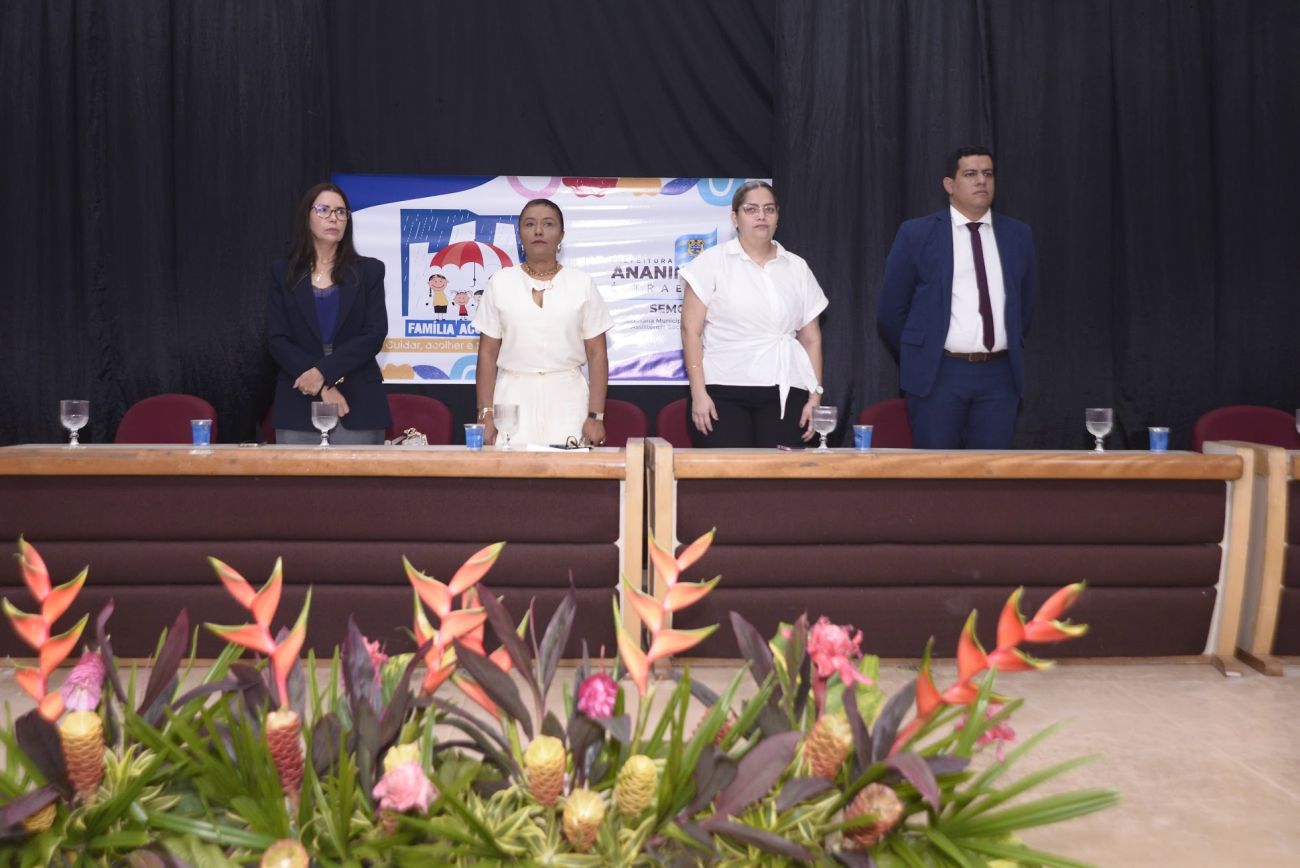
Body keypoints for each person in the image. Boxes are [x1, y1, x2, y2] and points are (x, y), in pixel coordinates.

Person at [878, 147, 1037, 449]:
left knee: (992, 471)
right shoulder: (917, 234)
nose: (982, 181)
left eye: (988, 174)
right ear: (949, 185)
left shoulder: (1018, 235)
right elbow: (891, 311)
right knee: (938, 471)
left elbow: (1024, 306)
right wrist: (922, 351)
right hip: (939, 374)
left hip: (1000, 375)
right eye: (971, 174)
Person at [679, 181, 827, 448]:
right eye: (751, 209)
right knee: (730, 472)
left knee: (781, 473)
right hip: (722, 389)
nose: (761, 216)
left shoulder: (797, 267)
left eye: (769, 209)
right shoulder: (710, 263)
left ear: (778, 217)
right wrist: (698, 393)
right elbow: (690, 331)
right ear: (735, 218)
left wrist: (815, 397)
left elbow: (811, 338)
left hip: (786, 389)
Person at [473, 199, 614, 447]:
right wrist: (485, 413)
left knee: (570, 469)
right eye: (530, 224)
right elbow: (487, 353)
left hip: (568, 399)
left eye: (548, 224)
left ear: (561, 235)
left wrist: (596, 416)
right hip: (512, 398)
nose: (538, 231)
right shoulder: (500, 282)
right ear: (520, 234)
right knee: (511, 468)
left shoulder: (581, 283)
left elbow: (597, 353)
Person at [266, 182, 391, 444]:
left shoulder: (369, 271)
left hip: (358, 401)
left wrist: (323, 373)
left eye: (341, 212)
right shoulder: (283, 272)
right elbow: (277, 339)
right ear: (306, 217)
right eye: (323, 210)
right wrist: (322, 385)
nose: (333, 218)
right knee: (297, 473)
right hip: (299, 396)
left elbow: (374, 334)